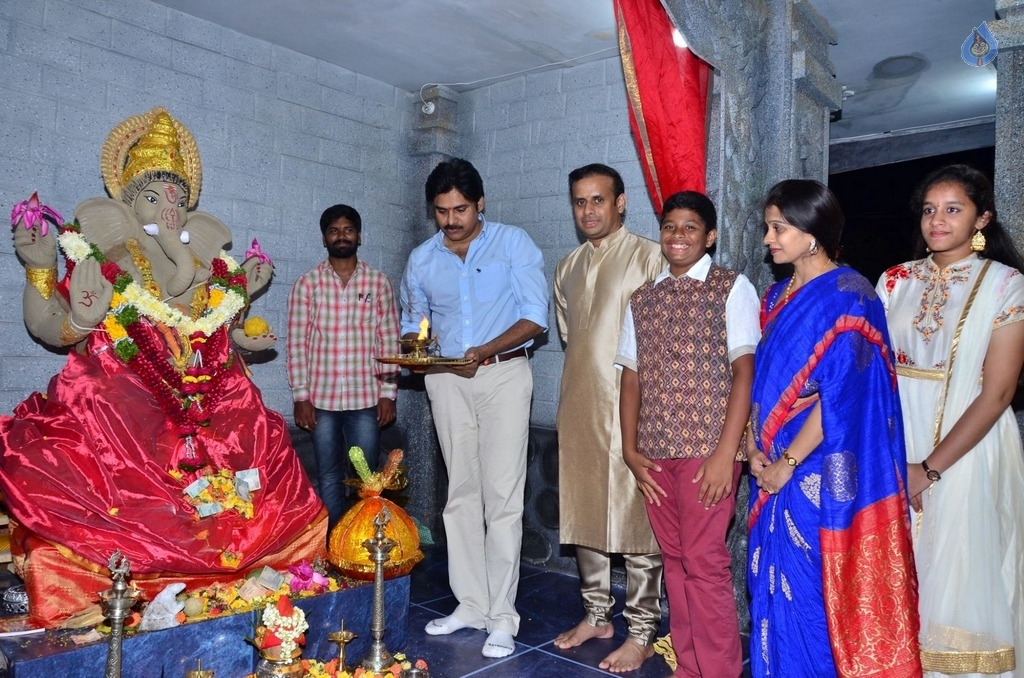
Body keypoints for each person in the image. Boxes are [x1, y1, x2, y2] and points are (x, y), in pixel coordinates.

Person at [747, 179, 921, 676]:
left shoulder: (852, 295)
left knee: (809, 590)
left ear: (813, 231)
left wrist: (788, 462)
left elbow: (843, 397)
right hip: (770, 465)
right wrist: (751, 447)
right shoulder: (777, 296)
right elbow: (763, 384)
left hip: (818, 469)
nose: (768, 239)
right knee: (769, 586)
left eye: (779, 227)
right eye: (768, 227)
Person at [876, 165, 1024, 677]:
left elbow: (999, 392)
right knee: (897, 568)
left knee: (959, 572)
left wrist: (929, 468)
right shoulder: (893, 280)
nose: (937, 220)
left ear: (982, 217)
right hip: (894, 441)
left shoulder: (1006, 284)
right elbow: (869, 372)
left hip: (968, 446)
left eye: (953, 209)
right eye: (929, 210)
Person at [399, 157, 548, 659]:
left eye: (461, 208)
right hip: (446, 381)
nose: (451, 220)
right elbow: (413, 321)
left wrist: (483, 351)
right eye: (442, 211)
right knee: (459, 494)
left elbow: (534, 317)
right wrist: (414, 347)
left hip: (504, 373)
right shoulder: (422, 259)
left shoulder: (512, 243)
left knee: (502, 499)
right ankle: (471, 604)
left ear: (480, 203)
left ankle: (503, 617)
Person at [616, 191, 760, 677]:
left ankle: (719, 669)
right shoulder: (643, 298)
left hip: (708, 451)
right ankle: (690, 664)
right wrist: (630, 449)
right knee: (674, 562)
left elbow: (745, 371)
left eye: (691, 227)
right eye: (671, 226)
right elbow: (630, 377)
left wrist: (727, 454)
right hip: (656, 453)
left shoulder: (730, 287)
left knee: (705, 562)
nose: (679, 236)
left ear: (710, 236)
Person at [551, 163, 665, 672]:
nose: (588, 211)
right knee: (584, 514)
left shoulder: (651, 257)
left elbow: (662, 344)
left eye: (598, 200)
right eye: (580, 202)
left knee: (637, 522)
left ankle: (642, 630)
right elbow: (572, 338)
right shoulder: (567, 266)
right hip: (579, 407)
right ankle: (597, 614)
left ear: (620, 202)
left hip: (634, 411)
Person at [286, 204, 400, 530]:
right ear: (324, 238)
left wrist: (389, 393)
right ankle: (334, 542)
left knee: (367, 476)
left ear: (359, 236)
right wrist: (300, 397)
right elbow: (297, 344)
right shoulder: (307, 285)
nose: (341, 235)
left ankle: (364, 541)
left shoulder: (378, 283)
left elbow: (389, 341)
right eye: (334, 230)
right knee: (330, 474)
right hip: (321, 402)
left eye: (348, 229)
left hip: (366, 400)